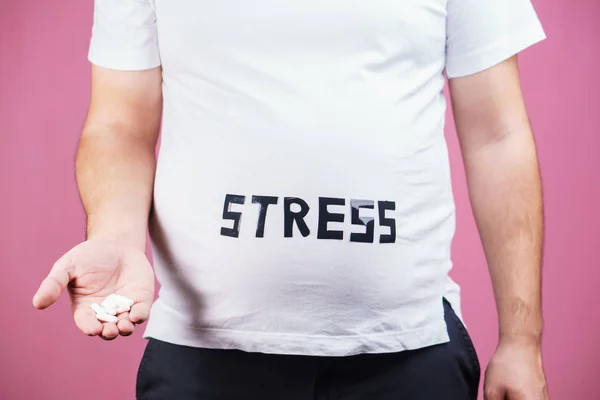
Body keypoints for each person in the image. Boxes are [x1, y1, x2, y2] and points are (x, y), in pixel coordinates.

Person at [32, 0, 549, 398]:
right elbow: (120, 124)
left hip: (409, 353)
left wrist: (522, 340)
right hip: (202, 358)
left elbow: (498, 135)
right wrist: (116, 237)